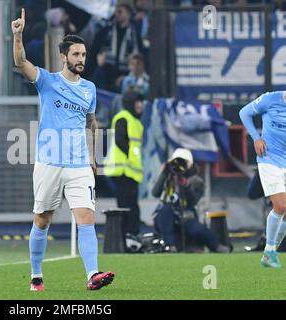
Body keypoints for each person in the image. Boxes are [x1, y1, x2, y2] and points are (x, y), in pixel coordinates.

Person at [12, 8, 114, 291]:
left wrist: (93, 158)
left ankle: (92, 274)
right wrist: (17, 35)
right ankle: (36, 275)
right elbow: (21, 62)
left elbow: (91, 123)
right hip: (49, 163)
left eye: (83, 55)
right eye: (76, 55)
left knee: (87, 217)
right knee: (42, 219)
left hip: (79, 164)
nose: (81, 59)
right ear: (64, 57)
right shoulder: (47, 81)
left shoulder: (89, 89)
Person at [239, 91, 286, 268]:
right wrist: (256, 138)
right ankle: (269, 252)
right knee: (281, 206)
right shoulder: (271, 99)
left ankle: (270, 251)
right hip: (269, 158)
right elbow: (244, 113)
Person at [151, 148, 230, 253]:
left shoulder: (196, 181)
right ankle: (169, 245)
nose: (178, 166)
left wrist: (185, 185)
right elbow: (155, 193)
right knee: (166, 209)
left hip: (185, 216)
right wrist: (164, 174)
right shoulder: (167, 176)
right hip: (165, 217)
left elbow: (193, 201)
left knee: (198, 230)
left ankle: (216, 246)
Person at [104, 90, 144, 244]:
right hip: (123, 170)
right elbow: (120, 139)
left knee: (132, 205)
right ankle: (127, 236)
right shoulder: (123, 118)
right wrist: (129, 156)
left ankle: (132, 235)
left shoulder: (137, 122)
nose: (141, 105)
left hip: (131, 171)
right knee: (127, 206)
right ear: (130, 103)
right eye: (138, 102)